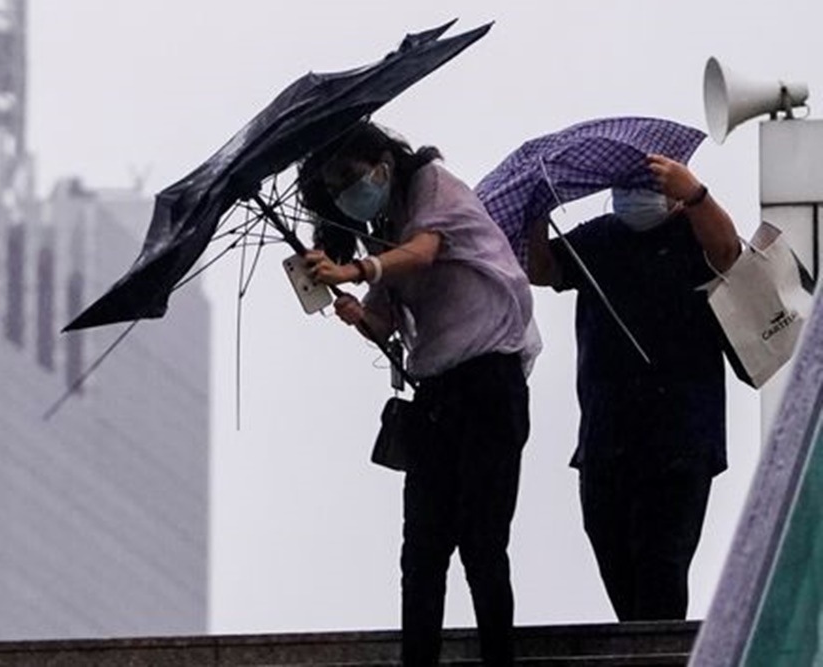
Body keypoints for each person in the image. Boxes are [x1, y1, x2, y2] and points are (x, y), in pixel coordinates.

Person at [298, 121, 534, 666]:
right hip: (436, 394)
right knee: (422, 552)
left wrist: (357, 267)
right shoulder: (387, 227)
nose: (344, 193)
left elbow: (425, 252)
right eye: (333, 189)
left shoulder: (430, 185)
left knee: (482, 542)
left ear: (382, 164)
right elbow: (385, 320)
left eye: (348, 177)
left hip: (489, 380)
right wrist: (357, 310)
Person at [526, 154, 741, 622]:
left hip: (681, 434)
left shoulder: (693, 231)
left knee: (661, 566)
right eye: (621, 183)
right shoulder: (600, 236)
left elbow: (728, 253)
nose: (631, 194)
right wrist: (538, 212)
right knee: (615, 558)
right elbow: (542, 270)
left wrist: (695, 192)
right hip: (606, 437)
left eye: (644, 183)